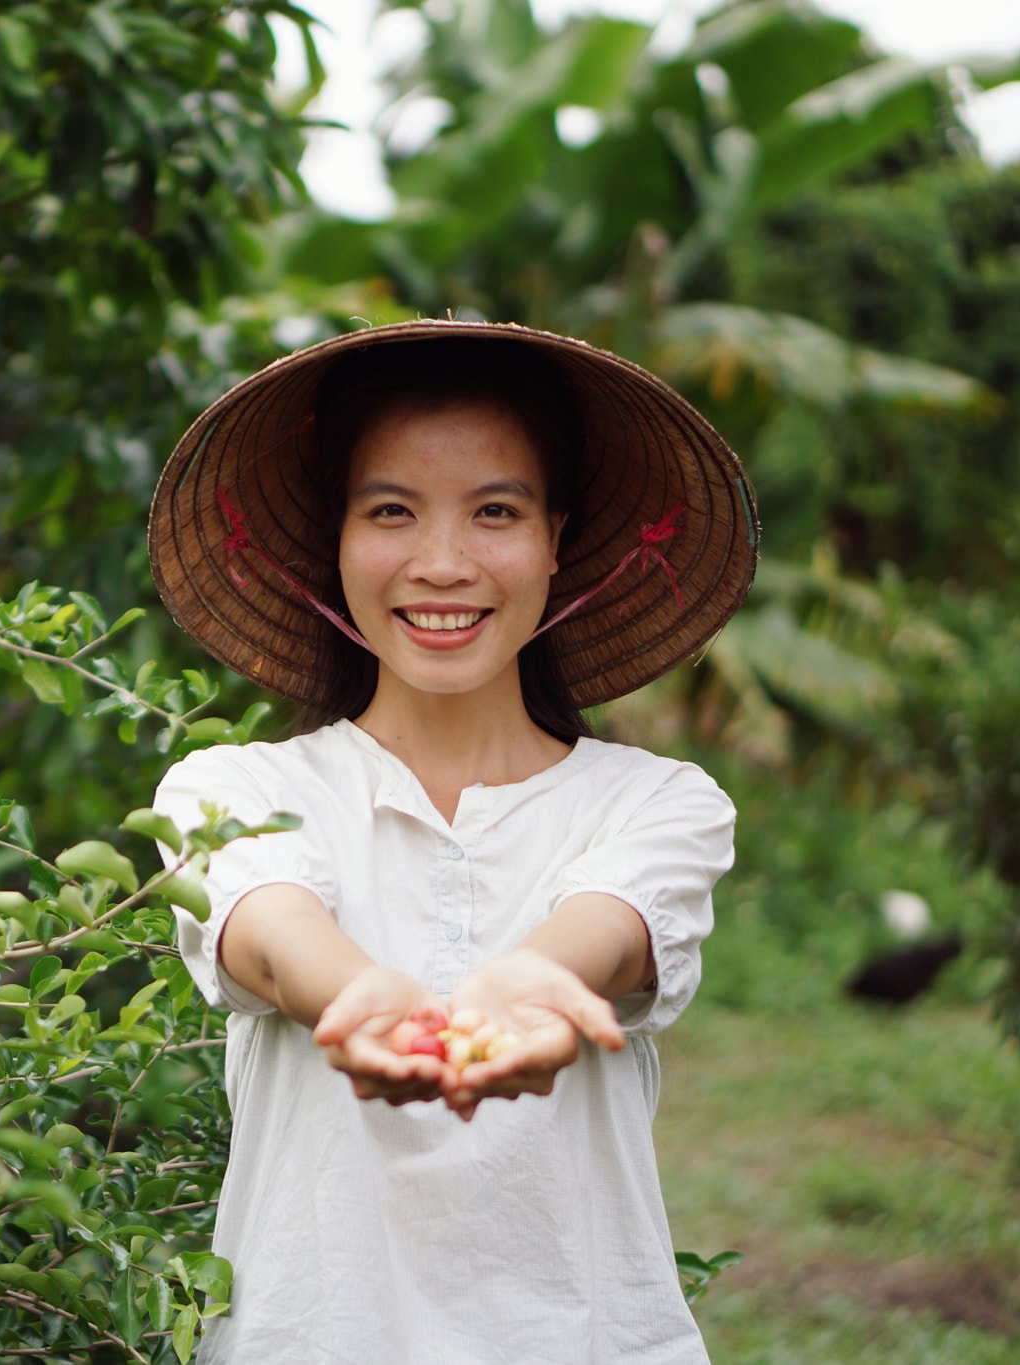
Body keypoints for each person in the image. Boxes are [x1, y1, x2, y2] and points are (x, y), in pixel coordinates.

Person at [143, 322, 759, 1363]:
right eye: (390, 510)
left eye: (494, 512)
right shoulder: (232, 788)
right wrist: (349, 996)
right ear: (333, 540)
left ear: (555, 539)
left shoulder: (657, 804)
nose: (440, 563)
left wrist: (526, 986)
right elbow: (268, 927)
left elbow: (605, 929)